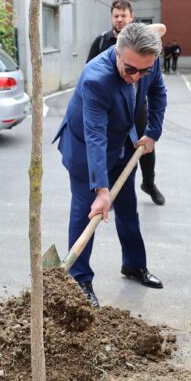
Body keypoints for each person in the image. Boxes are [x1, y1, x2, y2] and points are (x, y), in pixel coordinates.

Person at [56, 22, 167, 307]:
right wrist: (101, 189)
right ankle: (79, 281)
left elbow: (158, 93)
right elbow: (94, 135)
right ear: (116, 52)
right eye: (130, 69)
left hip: (123, 145)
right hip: (86, 151)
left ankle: (133, 265)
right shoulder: (96, 78)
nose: (136, 77)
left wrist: (153, 131)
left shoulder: (145, 62)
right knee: (86, 213)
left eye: (143, 70)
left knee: (128, 209)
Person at [87, 0, 165, 205]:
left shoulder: (145, 38)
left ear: (132, 17)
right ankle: (107, 190)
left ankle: (149, 182)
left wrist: (153, 132)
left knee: (145, 145)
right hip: (112, 107)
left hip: (137, 107)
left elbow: (161, 28)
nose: (120, 19)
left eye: (124, 16)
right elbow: (90, 72)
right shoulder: (102, 42)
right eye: (116, 16)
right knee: (111, 147)